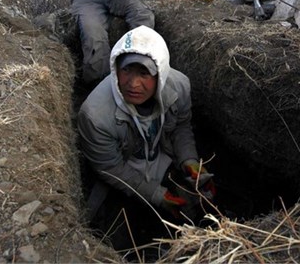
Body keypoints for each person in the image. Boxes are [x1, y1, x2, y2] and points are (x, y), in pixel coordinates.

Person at [77, 25, 216, 250]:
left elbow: (181, 127)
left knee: (197, 205)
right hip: (122, 171)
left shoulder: (178, 87)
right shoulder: (95, 115)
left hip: (161, 158)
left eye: (144, 73)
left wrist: (189, 161)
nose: (133, 84)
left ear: (160, 73)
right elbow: (111, 168)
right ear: (115, 69)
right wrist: (156, 195)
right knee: (112, 235)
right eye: (126, 71)